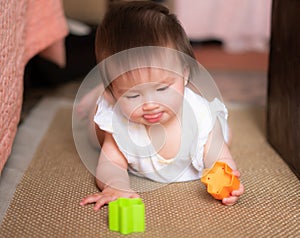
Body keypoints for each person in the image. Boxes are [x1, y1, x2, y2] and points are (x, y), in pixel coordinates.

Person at [79, 1, 244, 211]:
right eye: (134, 94)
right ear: (116, 92)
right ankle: (99, 95)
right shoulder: (120, 122)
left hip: (199, 125)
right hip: (113, 104)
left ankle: (109, 91)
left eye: (162, 89)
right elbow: (110, 165)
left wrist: (226, 180)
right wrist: (116, 187)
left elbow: (220, 159)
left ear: (184, 74)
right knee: (94, 134)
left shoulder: (202, 117)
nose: (150, 105)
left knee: (225, 136)